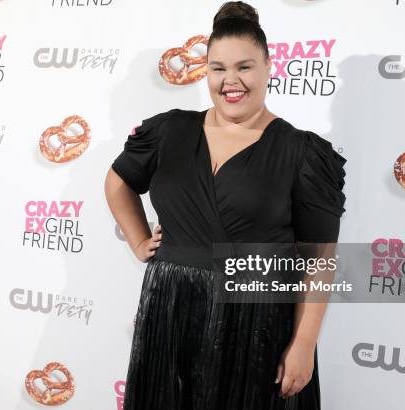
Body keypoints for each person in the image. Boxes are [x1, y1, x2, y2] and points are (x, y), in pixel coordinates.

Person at [104, 1, 346, 409]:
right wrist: (138, 239)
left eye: (244, 67)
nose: (230, 81)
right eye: (218, 69)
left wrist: (304, 344)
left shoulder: (302, 153)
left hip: (257, 324)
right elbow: (117, 182)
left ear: (270, 67)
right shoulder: (168, 131)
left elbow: (319, 258)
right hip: (172, 310)